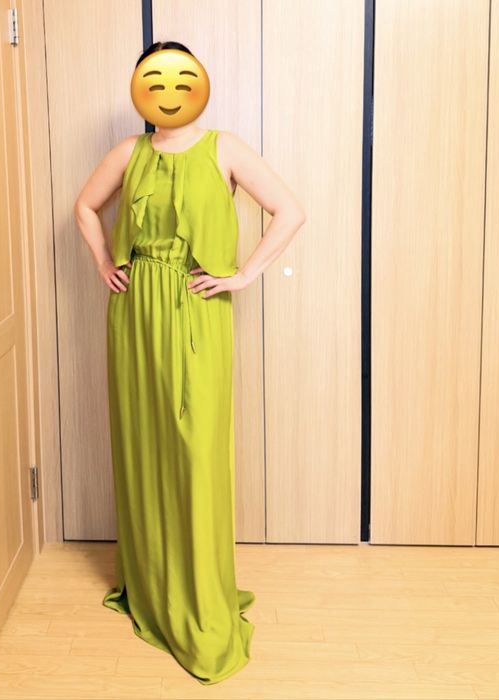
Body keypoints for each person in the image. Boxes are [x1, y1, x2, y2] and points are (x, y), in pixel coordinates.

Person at [74, 40, 306, 685]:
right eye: (156, 80)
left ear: (198, 84)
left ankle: (200, 596)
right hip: (135, 313)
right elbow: (84, 207)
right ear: (140, 90)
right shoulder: (129, 152)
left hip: (197, 309)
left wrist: (243, 274)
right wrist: (103, 262)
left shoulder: (225, 149)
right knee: (144, 444)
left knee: (196, 450)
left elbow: (290, 211)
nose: (169, 91)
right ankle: (152, 585)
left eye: (181, 79)